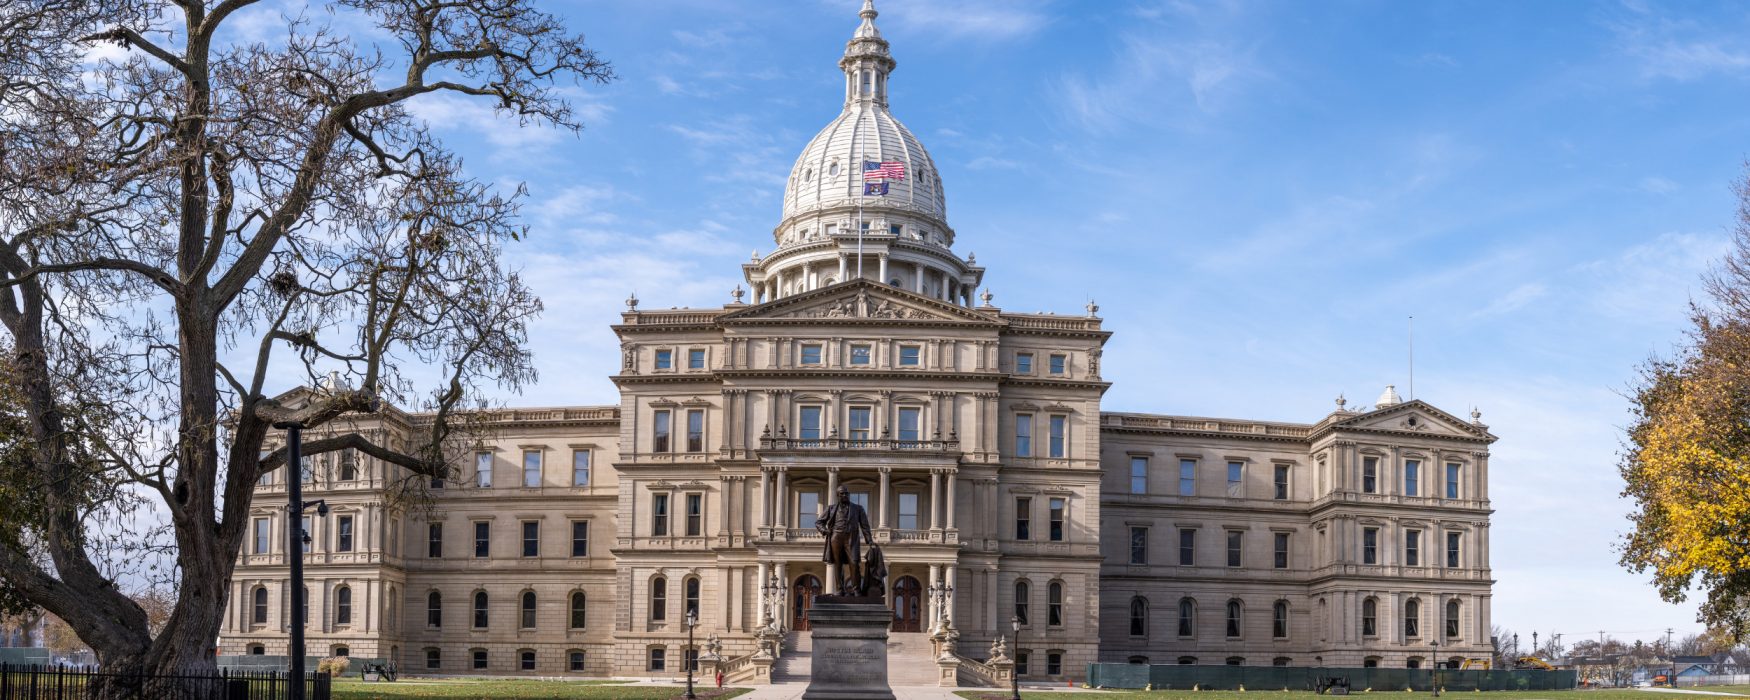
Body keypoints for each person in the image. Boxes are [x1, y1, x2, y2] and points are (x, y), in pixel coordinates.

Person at [816, 485, 875, 595]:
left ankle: (856, 589)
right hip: (836, 537)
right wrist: (825, 531)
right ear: (838, 495)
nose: (845, 495)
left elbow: (865, 526)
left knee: (854, 563)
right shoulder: (831, 508)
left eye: (846, 493)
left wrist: (869, 540)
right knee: (838, 564)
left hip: (851, 538)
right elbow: (819, 522)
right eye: (842, 494)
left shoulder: (858, 508)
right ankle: (840, 589)